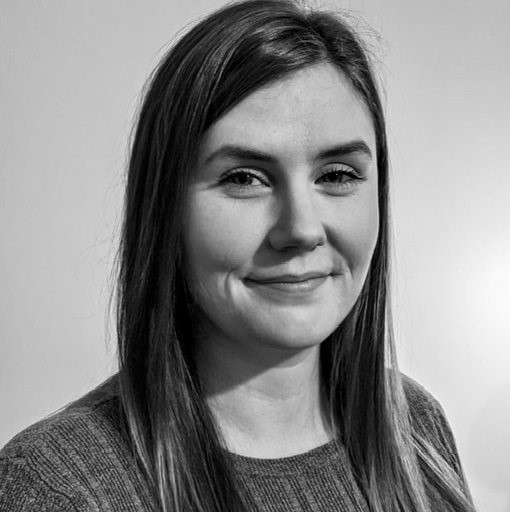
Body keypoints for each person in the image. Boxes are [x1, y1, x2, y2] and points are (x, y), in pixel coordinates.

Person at [0, 1, 476, 511]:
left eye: (337, 175)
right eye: (244, 178)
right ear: (165, 209)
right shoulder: (57, 487)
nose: (301, 229)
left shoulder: (414, 427)